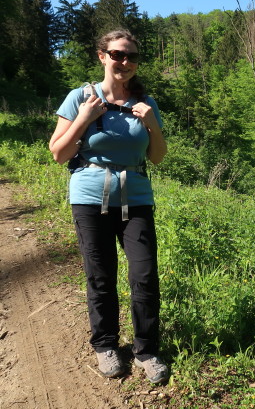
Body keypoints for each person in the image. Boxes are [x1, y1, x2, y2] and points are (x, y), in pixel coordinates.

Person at [49, 29, 169, 384]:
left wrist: (151, 125)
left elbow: (158, 157)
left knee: (144, 275)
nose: (125, 62)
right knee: (100, 276)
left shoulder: (146, 103)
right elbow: (59, 154)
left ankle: (146, 350)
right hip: (89, 196)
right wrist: (85, 118)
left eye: (132, 56)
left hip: (136, 197)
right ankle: (105, 345)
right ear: (102, 56)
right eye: (118, 54)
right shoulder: (80, 97)